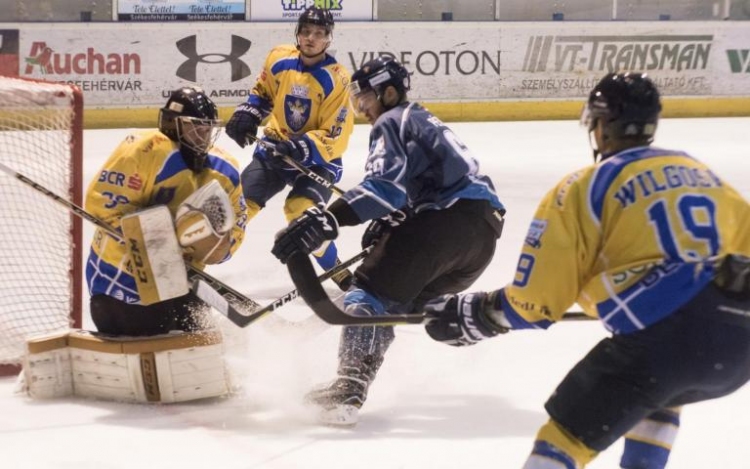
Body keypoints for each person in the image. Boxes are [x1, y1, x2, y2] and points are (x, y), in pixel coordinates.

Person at [423, 72, 750, 469]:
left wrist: (480, 314)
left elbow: (537, 302)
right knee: (658, 394)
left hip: (666, 340)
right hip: (739, 346)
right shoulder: (702, 175)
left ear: (600, 125)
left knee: (563, 442)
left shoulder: (583, 187)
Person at [272, 56, 506, 426]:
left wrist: (331, 218)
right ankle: (354, 382)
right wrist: (398, 218)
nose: (360, 106)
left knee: (367, 295)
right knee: (391, 305)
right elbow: (415, 188)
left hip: (445, 223)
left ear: (389, 91)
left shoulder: (392, 121)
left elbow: (384, 189)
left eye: (364, 96)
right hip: (482, 239)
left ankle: (349, 383)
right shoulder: (421, 118)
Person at [85, 86, 247, 336]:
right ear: (173, 124)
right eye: (195, 127)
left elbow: (237, 226)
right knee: (153, 333)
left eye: (208, 128)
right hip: (117, 279)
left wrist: (218, 247)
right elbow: (102, 208)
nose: (204, 135)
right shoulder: (143, 151)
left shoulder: (225, 170)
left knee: (204, 338)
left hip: (180, 283)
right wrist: (158, 241)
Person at [224, 6, 354, 291]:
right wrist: (248, 114)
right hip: (273, 152)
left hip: (318, 162)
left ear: (329, 39)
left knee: (300, 213)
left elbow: (337, 135)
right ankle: (206, 259)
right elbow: (263, 93)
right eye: (306, 31)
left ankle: (336, 269)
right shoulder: (279, 57)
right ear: (297, 32)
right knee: (239, 206)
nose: (310, 38)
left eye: (319, 34)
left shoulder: (337, 78)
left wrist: (301, 147)